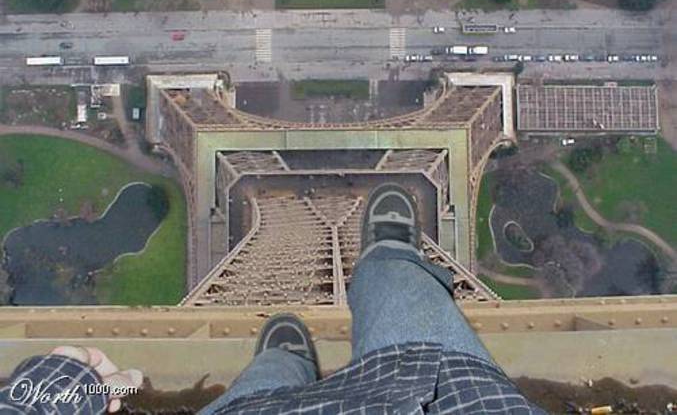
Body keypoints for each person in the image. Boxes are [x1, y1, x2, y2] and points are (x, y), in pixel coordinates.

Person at [0, 184, 546, 414]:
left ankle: (284, 363)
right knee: (405, 294)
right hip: (443, 398)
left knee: (262, 387)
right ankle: (388, 258)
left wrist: (38, 404)